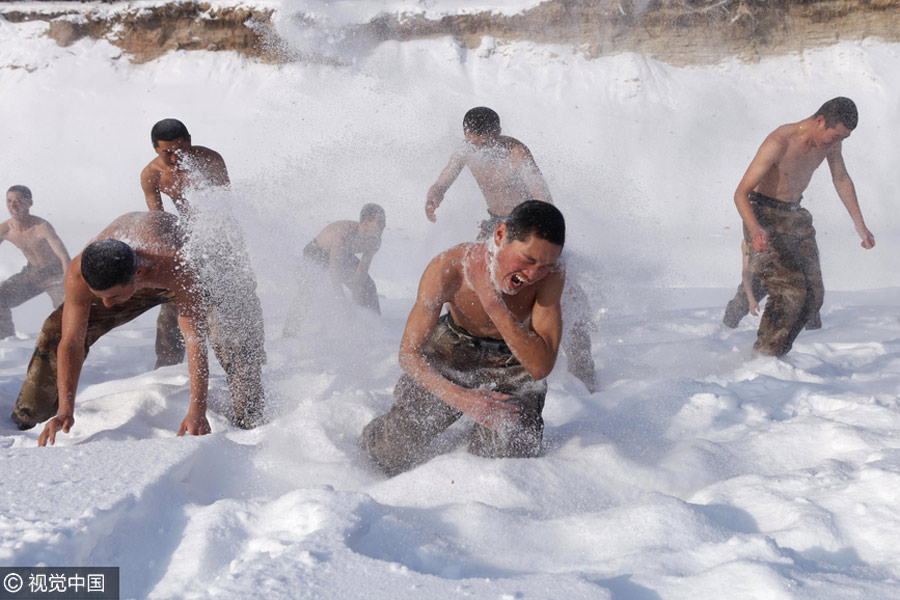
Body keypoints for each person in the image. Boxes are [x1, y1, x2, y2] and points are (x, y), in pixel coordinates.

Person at [9, 212, 266, 442]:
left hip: (195, 275)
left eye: (114, 298)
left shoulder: (174, 265)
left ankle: (250, 417)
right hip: (127, 277)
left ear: (140, 274)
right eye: (100, 296)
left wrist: (196, 411)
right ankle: (31, 416)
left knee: (232, 332)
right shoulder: (79, 272)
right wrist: (66, 409)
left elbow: (194, 339)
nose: (107, 305)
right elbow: (71, 342)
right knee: (55, 328)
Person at [361, 201, 565, 475]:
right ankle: (375, 433)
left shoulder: (551, 276)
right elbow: (408, 353)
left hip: (514, 363)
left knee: (505, 461)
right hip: (453, 350)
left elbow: (540, 366)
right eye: (528, 260)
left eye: (545, 265)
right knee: (394, 450)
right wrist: (463, 400)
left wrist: (493, 303)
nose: (533, 275)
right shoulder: (449, 267)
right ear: (500, 234)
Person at [426, 107, 596, 392]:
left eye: (486, 143)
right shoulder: (466, 149)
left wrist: (545, 239)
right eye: (474, 143)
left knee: (566, 293)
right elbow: (444, 179)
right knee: (473, 283)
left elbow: (543, 196)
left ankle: (583, 368)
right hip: (496, 225)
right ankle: (472, 360)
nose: (480, 150)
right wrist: (435, 194)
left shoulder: (516, 152)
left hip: (530, 225)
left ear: (498, 133)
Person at [734, 97, 874, 356]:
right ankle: (763, 356)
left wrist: (860, 225)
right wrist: (755, 229)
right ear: (820, 121)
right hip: (762, 213)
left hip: (795, 215)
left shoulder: (831, 143)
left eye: (843, 139)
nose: (836, 144)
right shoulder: (779, 141)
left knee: (813, 297)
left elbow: (841, 178)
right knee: (789, 293)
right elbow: (740, 193)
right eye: (834, 137)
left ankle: (775, 353)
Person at [139, 118, 257, 369]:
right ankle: (166, 363)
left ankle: (250, 352)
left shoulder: (209, 160)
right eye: (167, 152)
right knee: (175, 300)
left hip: (222, 234)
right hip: (188, 237)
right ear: (155, 150)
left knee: (241, 291)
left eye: (180, 149)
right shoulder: (152, 175)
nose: (175, 156)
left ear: (190, 141)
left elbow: (224, 205)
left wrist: (222, 246)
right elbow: (159, 221)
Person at [283, 203, 386, 337]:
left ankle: (373, 330)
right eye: (380, 221)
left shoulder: (375, 242)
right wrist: (342, 302)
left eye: (384, 221)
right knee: (308, 290)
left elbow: (361, 275)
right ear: (366, 222)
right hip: (317, 252)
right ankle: (289, 333)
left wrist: (356, 299)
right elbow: (334, 273)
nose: (384, 225)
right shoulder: (344, 234)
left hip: (343, 254)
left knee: (368, 286)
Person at [0, 185, 70, 338]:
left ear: (29, 203)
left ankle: (68, 343)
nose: (13, 205)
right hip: (32, 273)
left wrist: (68, 283)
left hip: (55, 273)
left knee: (66, 307)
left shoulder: (41, 227)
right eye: (9, 201)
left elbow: (64, 256)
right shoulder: (5, 229)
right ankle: (5, 340)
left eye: (18, 201)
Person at [722, 239, 821, 330]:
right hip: (761, 275)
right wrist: (751, 298)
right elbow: (746, 273)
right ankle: (725, 329)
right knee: (741, 303)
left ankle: (814, 336)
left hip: (788, 273)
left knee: (809, 300)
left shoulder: (790, 234)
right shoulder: (749, 241)